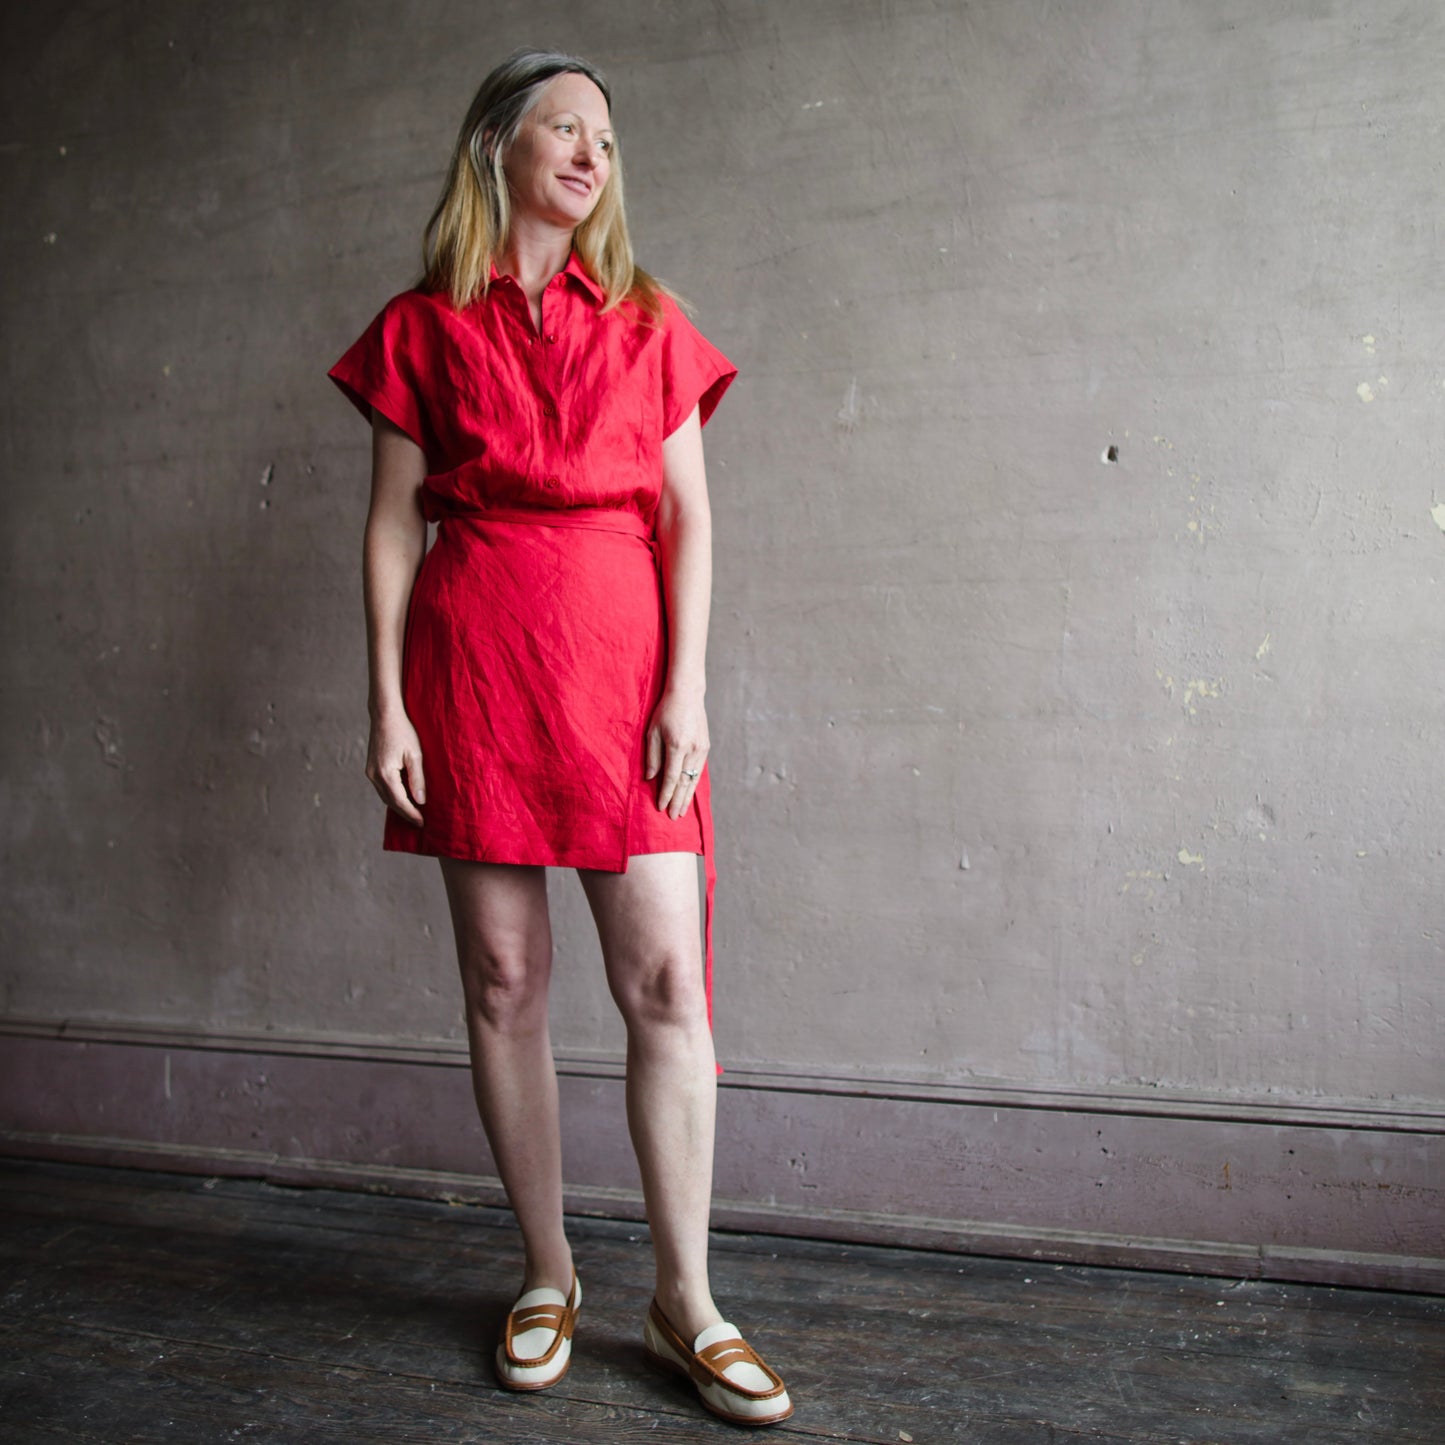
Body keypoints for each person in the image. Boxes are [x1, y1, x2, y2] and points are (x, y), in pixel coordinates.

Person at [328, 49, 792, 1427]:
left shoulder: (648, 317)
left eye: (605, 136)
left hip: (621, 672)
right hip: (473, 669)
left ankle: (686, 1299)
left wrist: (686, 688)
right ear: (497, 151)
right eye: (563, 129)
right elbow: (389, 525)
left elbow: (688, 519)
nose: (592, 153)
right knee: (501, 979)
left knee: (662, 983)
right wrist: (386, 700)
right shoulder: (421, 328)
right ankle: (547, 1274)